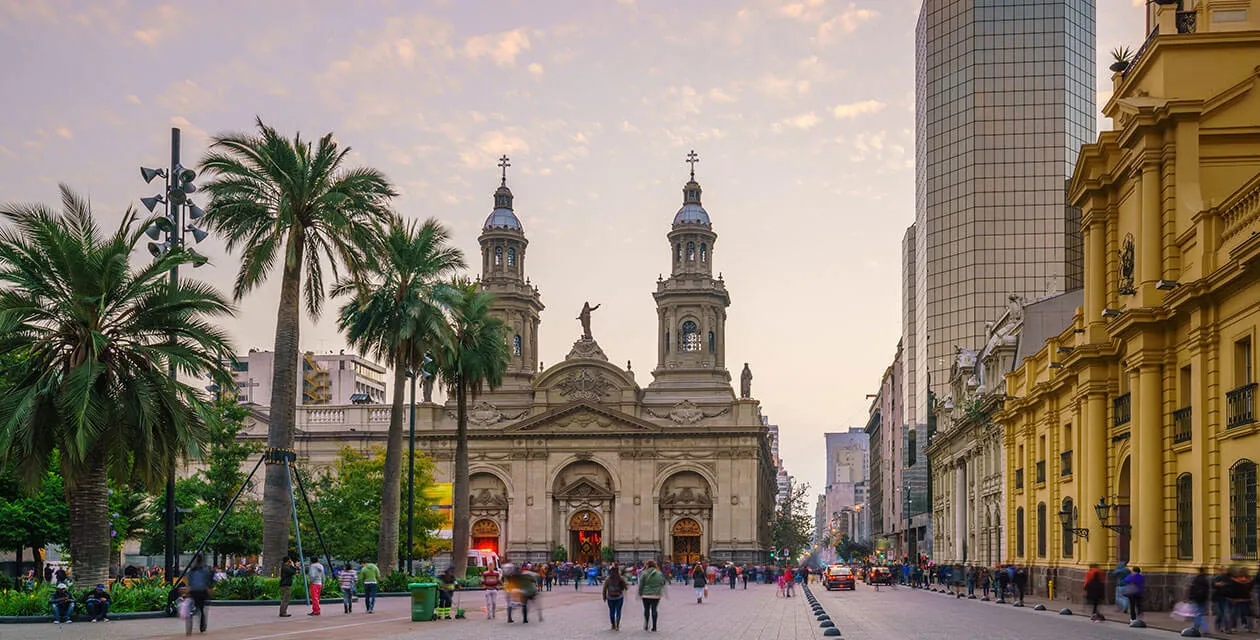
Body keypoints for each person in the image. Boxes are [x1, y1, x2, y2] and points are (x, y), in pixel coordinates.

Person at [187, 555, 214, 634]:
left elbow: (189, 581)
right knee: (202, 609)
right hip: (202, 591)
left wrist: (189, 589)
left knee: (192, 607)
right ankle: (202, 626)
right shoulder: (205, 570)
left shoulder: (192, 570)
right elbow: (208, 581)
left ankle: (191, 617)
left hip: (193, 591)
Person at [637, 559, 666, 632]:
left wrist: (640, 593)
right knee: (654, 610)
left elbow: (641, 585)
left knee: (646, 610)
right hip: (656, 595)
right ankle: (654, 626)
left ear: (647, 565)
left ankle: (646, 624)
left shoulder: (644, 573)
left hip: (645, 595)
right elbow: (663, 583)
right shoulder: (659, 573)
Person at [1186, 566, 1210, 634]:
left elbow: (1192, 589)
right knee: (1200, 614)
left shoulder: (1196, 579)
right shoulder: (1205, 579)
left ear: (1199, 572)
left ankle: (1204, 629)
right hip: (1203, 599)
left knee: (1198, 614)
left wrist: (1190, 597)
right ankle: (1197, 628)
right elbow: (1207, 591)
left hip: (1196, 599)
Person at [603, 565, 627, 630]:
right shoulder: (620, 578)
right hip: (619, 597)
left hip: (610, 597)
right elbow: (626, 587)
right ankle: (617, 624)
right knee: (618, 610)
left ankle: (613, 624)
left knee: (611, 611)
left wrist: (604, 597)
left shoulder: (608, 579)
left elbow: (604, 589)